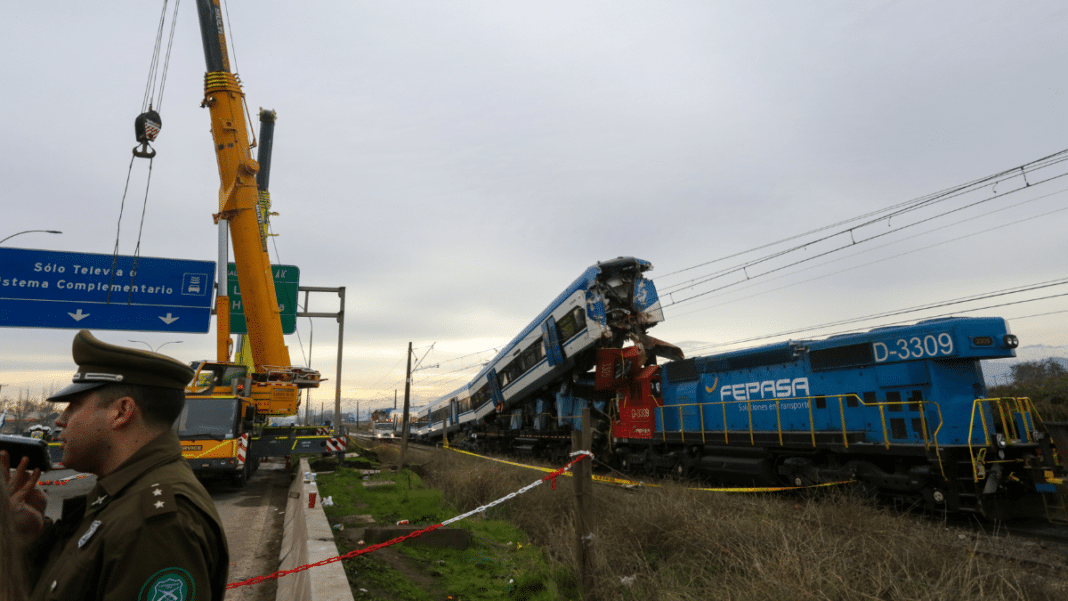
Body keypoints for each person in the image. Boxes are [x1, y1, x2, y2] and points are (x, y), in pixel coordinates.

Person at [8, 330, 229, 601]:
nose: (60, 420)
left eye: (73, 406)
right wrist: (35, 535)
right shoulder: (123, 495)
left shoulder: (155, 525)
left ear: (122, 412)